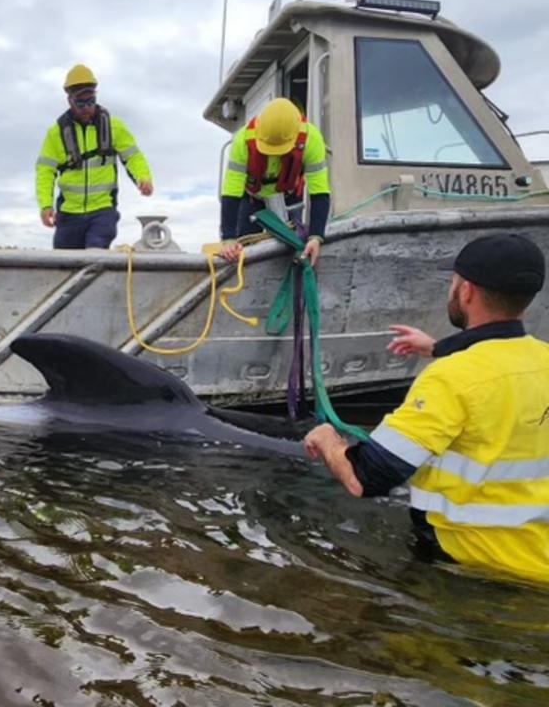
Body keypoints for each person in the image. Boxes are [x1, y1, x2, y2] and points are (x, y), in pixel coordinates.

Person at [304, 234, 549, 584]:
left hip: (473, 570)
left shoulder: (451, 379)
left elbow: (365, 479)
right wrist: (437, 347)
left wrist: (328, 439)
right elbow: (500, 367)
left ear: (466, 291)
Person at [35, 64, 153, 250]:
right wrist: (45, 205)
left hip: (102, 211)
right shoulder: (56, 133)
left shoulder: (114, 126)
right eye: (80, 104)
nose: (86, 108)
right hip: (68, 214)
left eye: (91, 101)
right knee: (64, 264)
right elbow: (45, 171)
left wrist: (143, 177)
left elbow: (133, 157)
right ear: (70, 101)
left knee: (95, 255)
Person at [218, 98, 328, 265]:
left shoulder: (311, 140)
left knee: (293, 250)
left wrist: (316, 236)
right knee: (241, 251)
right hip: (252, 198)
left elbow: (320, 192)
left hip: (288, 199)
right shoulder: (242, 140)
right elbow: (231, 191)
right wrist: (229, 238)